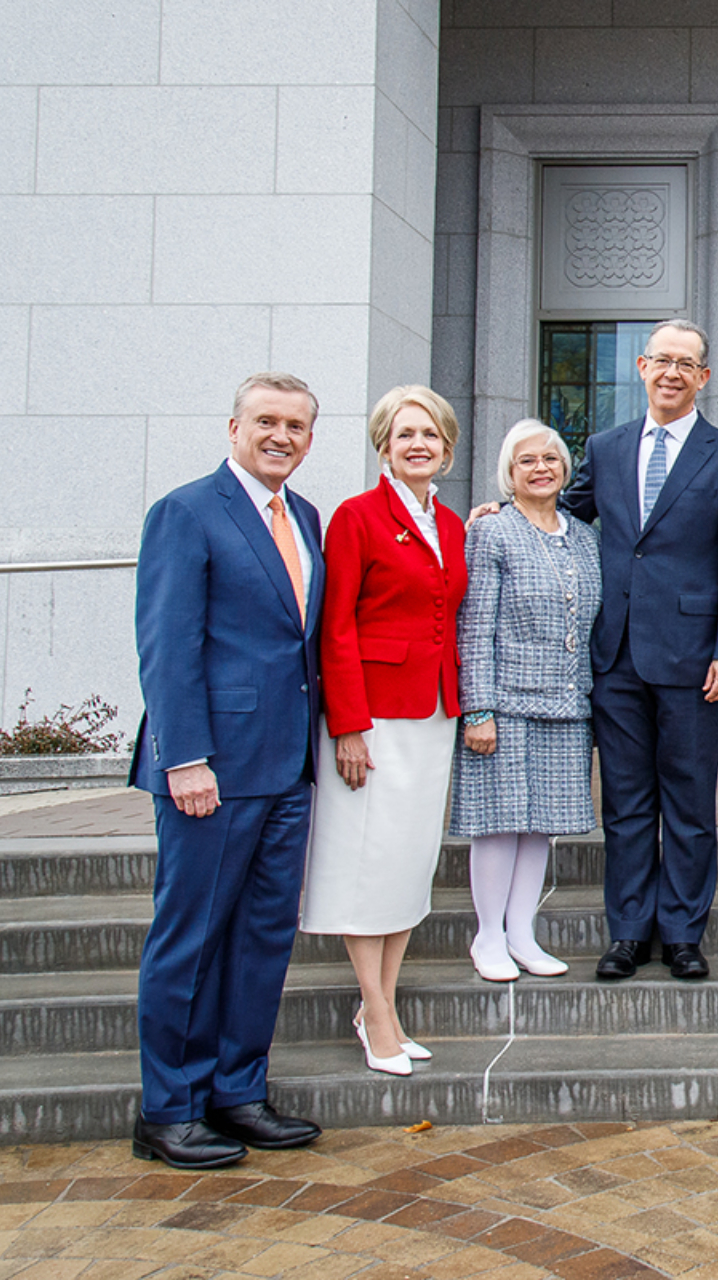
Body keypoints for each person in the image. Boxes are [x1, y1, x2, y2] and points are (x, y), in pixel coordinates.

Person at [129, 372, 327, 1168]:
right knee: (192, 938)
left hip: (287, 768)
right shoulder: (186, 511)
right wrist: (184, 757)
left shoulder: (303, 516)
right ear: (235, 427)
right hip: (209, 769)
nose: (281, 436)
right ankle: (167, 1109)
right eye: (267, 422)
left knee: (262, 937)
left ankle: (238, 1092)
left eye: (297, 427)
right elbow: (168, 645)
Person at [565, 319, 718, 982]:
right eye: (662, 361)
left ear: (703, 376)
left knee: (686, 798)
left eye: (687, 363)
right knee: (624, 802)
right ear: (643, 367)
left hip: (695, 658)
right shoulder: (607, 446)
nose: (672, 373)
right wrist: (500, 510)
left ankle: (682, 930)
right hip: (616, 654)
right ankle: (627, 930)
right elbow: (563, 512)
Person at [301, 385, 468, 1076]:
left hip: (431, 716)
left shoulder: (453, 524)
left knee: (406, 865)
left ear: (448, 448)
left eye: (429, 434)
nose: (418, 445)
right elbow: (334, 625)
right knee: (365, 866)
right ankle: (375, 1012)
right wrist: (347, 726)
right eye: (404, 435)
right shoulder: (356, 517)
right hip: (371, 717)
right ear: (384, 446)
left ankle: (384, 1006)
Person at [450, 420, 603, 981]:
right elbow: (475, 625)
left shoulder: (584, 535)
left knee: (541, 824)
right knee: (499, 821)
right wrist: (479, 709)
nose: (541, 468)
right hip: (506, 701)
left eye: (551, 458)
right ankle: (488, 936)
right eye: (526, 461)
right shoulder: (492, 531)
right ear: (508, 474)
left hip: (567, 702)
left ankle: (522, 933)